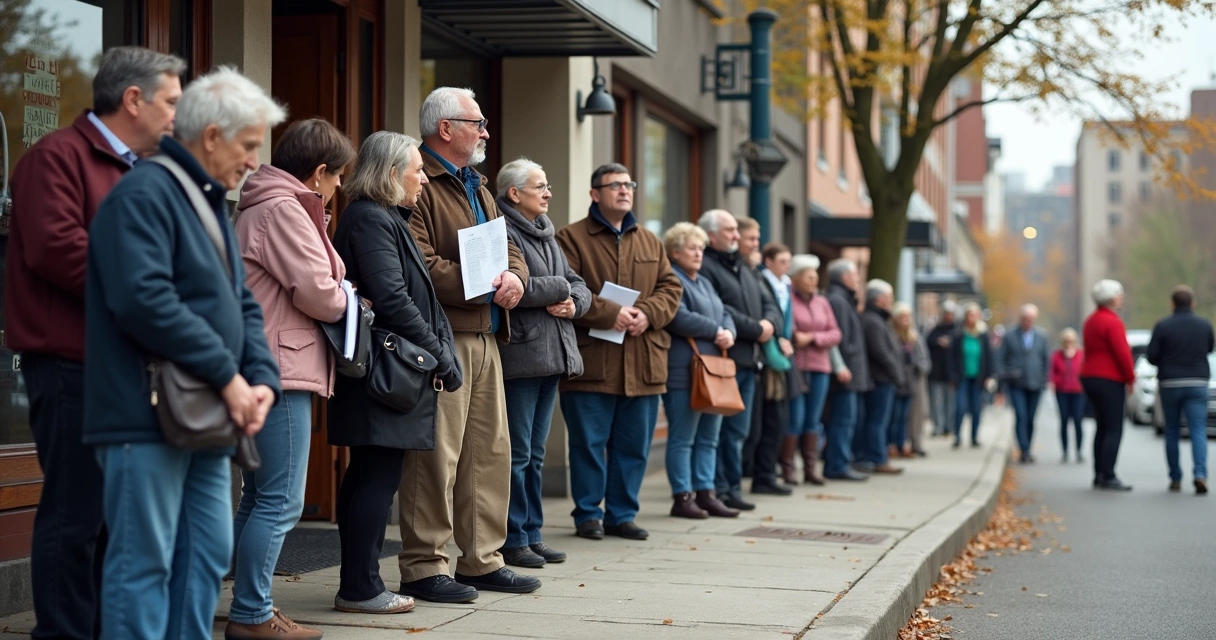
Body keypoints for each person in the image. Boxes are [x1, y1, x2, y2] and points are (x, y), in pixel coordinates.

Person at [85, 66, 284, 639]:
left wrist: (262, 377)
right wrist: (229, 376)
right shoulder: (144, 193)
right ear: (213, 135)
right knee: (142, 567)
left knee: (202, 561)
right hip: (143, 414)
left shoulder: (208, 201)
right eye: (248, 146)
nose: (253, 161)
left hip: (200, 413)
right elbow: (143, 300)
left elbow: (241, 303)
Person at [4, 46, 184, 640]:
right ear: (133, 100)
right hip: (71, 362)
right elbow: (59, 250)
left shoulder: (147, 168)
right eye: (171, 102)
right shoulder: (55, 158)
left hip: (131, 365)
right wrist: (150, 292)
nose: (177, 117)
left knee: (118, 521)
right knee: (75, 515)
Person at [399, 87, 535, 602]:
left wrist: (516, 280)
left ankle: (481, 559)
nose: (485, 132)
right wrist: (482, 282)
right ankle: (423, 565)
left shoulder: (477, 184)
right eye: (477, 123)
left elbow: (512, 250)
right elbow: (419, 263)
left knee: (489, 453)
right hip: (443, 335)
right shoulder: (418, 183)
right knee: (439, 455)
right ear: (445, 128)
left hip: (486, 333)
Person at [228, 118, 354, 636]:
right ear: (319, 172)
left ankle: (243, 602)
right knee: (281, 500)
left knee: (258, 497)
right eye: (337, 176)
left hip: (263, 361)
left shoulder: (268, 204)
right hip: (280, 367)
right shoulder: (285, 209)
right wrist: (350, 299)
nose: (340, 187)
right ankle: (252, 613)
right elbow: (320, 292)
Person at [328, 131, 462, 613]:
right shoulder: (370, 219)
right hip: (383, 374)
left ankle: (358, 584)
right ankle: (361, 589)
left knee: (369, 473)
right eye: (417, 170)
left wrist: (441, 346)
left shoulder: (384, 217)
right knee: (376, 477)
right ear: (390, 174)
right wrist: (440, 354)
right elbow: (393, 299)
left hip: (388, 370)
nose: (423, 179)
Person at [557, 163, 683, 540]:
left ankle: (622, 514)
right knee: (589, 445)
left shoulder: (649, 239)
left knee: (633, 447)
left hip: (643, 361)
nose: (624, 190)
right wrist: (611, 313)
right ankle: (588, 515)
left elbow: (671, 288)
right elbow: (567, 289)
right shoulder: (571, 237)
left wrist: (648, 313)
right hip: (593, 359)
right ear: (595, 193)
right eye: (615, 185)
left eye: (629, 184)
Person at [494, 158, 591, 566]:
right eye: (540, 186)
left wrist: (574, 303)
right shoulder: (500, 229)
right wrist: (558, 288)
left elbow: (580, 285)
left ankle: (533, 533)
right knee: (517, 455)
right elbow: (504, 284)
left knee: (534, 454)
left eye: (548, 185)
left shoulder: (547, 234)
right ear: (515, 193)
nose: (548, 193)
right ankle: (513, 538)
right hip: (521, 355)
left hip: (553, 355)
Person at [696, 210, 785, 505]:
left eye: (737, 231)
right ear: (712, 235)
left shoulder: (747, 269)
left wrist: (769, 325)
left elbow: (771, 305)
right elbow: (720, 309)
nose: (736, 236)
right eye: (730, 231)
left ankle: (732, 488)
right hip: (724, 360)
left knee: (741, 432)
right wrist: (756, 329)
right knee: (722, 433)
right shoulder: (707, 266)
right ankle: (721, 490)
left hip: (750, 361)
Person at [660, 222, 740, 519]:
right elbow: (677, 317)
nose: (698, 253)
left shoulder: (704, 282)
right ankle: (683, 496)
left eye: (701, 248)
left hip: (713, 370)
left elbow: (726, 312)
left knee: (709, 437)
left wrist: (728, 331)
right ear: (675, 252)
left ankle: (706, 492)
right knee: (683, 437)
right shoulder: (671, 279)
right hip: (684, 370)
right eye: (691, 248)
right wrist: (716, 330)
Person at [1146, 285, 1214, 494]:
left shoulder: (1163, 326)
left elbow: (1151, 356)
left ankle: (1175, 477)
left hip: (1170, 383)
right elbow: (1210, 348)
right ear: (1192, 303)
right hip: (1197, 382)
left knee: (1172, 431)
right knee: (1197, 430)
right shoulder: (1204, 325)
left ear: (1172, 304)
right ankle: (1200, 474)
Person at [784, 254, 840, 485]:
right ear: (795, 279)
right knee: (794, 418)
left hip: (820, 367)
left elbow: (836, 333)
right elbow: (790, 330)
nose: (813, 280)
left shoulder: (823, 302)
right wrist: (800, 338)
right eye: (808, 276)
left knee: (813, 419)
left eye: (815, 276)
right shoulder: (788, 299)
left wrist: (813, 338)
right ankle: (788, 469)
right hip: (796, 367)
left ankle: (810, 469)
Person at [1080, 279, 1136, 491]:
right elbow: (1122, 353)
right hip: (1109, 377)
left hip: (1090, 376)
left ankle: (1099, 472)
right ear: (1113, 298)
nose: (1122, 298)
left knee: (1102, 426)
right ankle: (1108, 474)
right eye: (1120, 294)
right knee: (1113, 427)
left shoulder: (1091, 320)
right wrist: (1130, 378)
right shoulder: (1112, 321)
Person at [755, 242, 801, 493]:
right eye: (783, 261)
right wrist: (777, 339)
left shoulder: (785, 286)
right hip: (767, 357)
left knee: (779, 419)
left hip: (782, 356)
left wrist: (786, 339)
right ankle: (763, 474)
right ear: (769, 261)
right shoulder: (763, 282)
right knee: (767, 421)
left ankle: (768, 473)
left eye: (789, 261)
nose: (787, 266)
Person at [822, 259, 871, 481]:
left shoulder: (843, 299)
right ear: (843, 277)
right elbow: (839, 340)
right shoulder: (838, 301)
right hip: (845, 374)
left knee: (845, 419)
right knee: (843, 420)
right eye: (854, 275)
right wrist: (842, 367)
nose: (858, 279)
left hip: (848, 372)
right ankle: (837, 465)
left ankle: (840, 461)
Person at [856, 280, 906, 474]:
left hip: (883, 378)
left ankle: (875, 457)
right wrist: (896, 373)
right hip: (880, 379)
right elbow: (881, 352)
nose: (891, 300)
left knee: (878, 420)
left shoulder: (877, 319)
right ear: (879, 298)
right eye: (889, 296)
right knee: (877, 420)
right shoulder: (872, 320)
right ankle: (877, 458)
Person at [997, 304, 1050, 463]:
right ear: (1021, 319)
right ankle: (1023, 449)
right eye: (1025, 319)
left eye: (1031, 319)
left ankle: (1027, 447)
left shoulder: (1041, 336)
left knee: (1030, 418)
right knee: (1021, 415)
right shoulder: (1010, 335)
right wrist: (1004, 374)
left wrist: (1044, 379)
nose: (1028, 322)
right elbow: (1000, 357)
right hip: (1016, 383)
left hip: (1035, 383)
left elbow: (1046, 360)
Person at [889, 303, 931, 458]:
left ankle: (906, 443)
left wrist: (919, 368)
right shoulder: (891, 335)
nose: (906, 320)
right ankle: (892, 444)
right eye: (902, 316)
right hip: (896, 380)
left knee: (909, 415)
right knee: (895, 415)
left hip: (912, 382)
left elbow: (924, 359)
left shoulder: (915, 337)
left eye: (908, 316)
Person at [1050, 328, 1086, 463]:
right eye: (1066, 340)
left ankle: (1078, 450)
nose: (1068, 343)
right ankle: (1065, 451)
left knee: (1077, 420)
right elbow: (1052, 371)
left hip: (1078, 391)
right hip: (1062, 391)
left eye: (1071, 340)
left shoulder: (1080, 354)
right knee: (1064, 420)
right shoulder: (1057, 355)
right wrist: (1053, 383)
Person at [926, 302, 958, 437]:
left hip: (951, 373)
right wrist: (938, 341)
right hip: (936, 372)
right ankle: (938, 425)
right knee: (936, 402)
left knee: (950, 402)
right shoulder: (935, 330)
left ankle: (948, 426)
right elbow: (928, 343)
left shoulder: (957, 331)